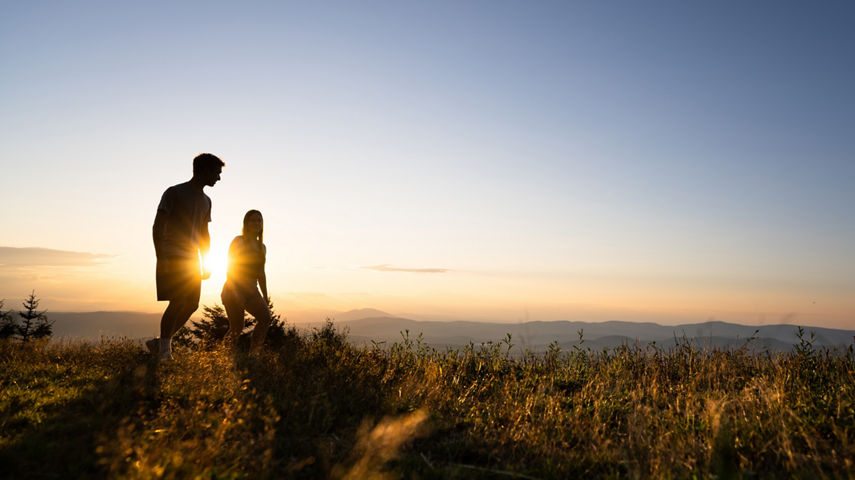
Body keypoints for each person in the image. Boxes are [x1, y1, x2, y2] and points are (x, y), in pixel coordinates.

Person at [148, 153, 224, 361]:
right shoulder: (174, 193)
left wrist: (206, 261)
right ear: (204, 170)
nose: (218, 178)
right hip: (172, 255)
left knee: (191, 304)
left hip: (192, 259)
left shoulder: (207, 201)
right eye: (216, 173)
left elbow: (204, 234)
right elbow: (157, 226)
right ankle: (164, 352)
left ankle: (159, 343)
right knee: (178, 300)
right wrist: (160, 257)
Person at [221, 209, 272, 350]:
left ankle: (254, 353)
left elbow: (261, 273)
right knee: (237, 327)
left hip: (252, 290)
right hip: (234, 288)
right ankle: (223, 356)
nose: (256, 223)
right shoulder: (239, 241)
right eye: (253, 220)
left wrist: (265, 296)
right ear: (246, 223)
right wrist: (235, 291)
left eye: (259, 220)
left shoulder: (262, 247)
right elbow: (230, 265)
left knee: (265, 318)